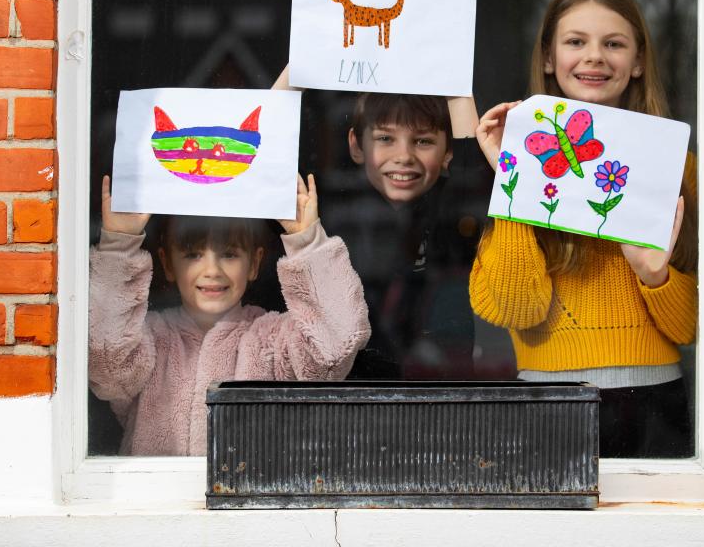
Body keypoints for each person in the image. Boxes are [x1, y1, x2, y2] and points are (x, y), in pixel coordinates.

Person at [470, 0, 698, 458]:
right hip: (546, 405)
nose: (594, 56)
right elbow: (517, 309)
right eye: (576, 42)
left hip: (655, 405)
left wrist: (654, 277)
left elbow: (691, 329)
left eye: (613, 43)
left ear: (637, 62)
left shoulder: (679, 167)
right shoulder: (522, 159)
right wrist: (513, 176)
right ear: (550, 59)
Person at [88, 174, 370, 456]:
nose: (212, 271)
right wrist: (119, 245)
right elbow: (105, 359)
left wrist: (307, 241)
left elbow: (334, 346)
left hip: (247, 499)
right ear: (168, 264)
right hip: (156, 497)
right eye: (193, 255)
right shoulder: (149, 339)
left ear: (254, 263)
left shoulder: (271, 338)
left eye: (230, 254)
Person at [320, 93, 479, 379]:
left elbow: (471, 159)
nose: (404, 156)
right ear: (356, 145)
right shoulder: (330, 215)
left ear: (448, 152)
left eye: (423, 141)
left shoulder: (451, 215)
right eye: (385, 138)